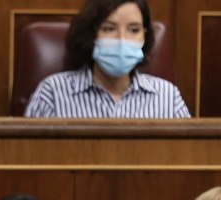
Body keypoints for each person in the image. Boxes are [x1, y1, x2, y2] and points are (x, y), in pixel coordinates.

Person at [24, 0, 189, 118]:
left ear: (144, 36)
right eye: (109, 29)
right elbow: (27, 158)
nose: (122, 39)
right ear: (92, 34)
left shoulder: (168, 97)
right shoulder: (52, 93)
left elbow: (188, 160)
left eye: (134, 30)